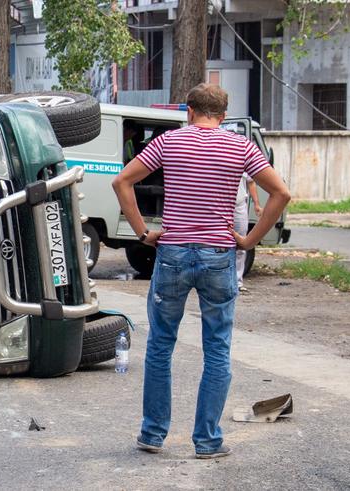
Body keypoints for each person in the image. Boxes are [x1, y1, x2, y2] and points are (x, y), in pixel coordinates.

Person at [112, 83, 291, 459]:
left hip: (173, 254)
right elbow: (281, 193)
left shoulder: (169, 142)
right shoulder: (241, 146)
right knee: (217, 349)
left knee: (161, 346)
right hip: (218, 256)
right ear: (223, 116)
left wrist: (144, 232)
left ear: (189, 111)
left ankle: (153, 433)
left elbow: (122, 181)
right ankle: (207, 441)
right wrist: (249, 239)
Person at [234, 173, 263, 292]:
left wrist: (257, 204)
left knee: (241, 245)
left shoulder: (242, 155)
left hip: (238, 206)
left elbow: (251, 182)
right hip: (217, 206)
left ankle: (237, 282)